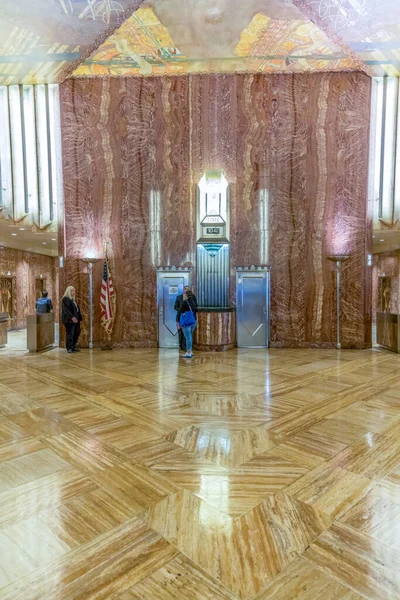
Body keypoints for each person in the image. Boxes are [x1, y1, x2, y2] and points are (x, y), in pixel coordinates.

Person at [174, 286, 197, 350]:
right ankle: (181, 345)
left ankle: (186, 347)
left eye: (188, 289)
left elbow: (195, 307)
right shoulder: (179, 297)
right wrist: (180, 310)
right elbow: (175, 307)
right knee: (180, 332)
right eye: (185, 289)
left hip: (189, 318)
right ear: (183, 289)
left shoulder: (192, 297)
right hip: (180, 317)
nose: (186, 290)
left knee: (187, 334)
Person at [62, 285, 83, 353]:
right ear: (69, 291)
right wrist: (72, 317)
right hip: (69, 320)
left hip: (76, 319)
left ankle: (73, 346)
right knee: (70, 333)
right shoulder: (65, 299)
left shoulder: (72, 299)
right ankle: (69, 347)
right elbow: (66, 310)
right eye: (73, 290)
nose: (74, 292)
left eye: (74, 290)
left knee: (77, 332)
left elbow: (76, 309)